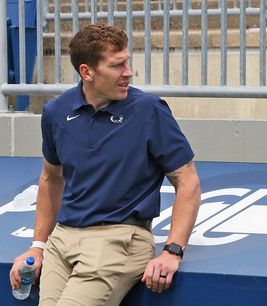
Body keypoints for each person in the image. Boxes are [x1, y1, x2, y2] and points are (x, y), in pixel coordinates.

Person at [9, 24, 201, 305]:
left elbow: (188, 179)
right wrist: (38, 246)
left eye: (127, 61)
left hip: (120, 239)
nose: (128, 72)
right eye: (117, 65)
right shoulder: (56, 112)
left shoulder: (149, 110)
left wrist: (173, 250)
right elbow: (51, 179)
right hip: (61, 241)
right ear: (87, 72)